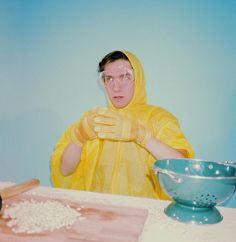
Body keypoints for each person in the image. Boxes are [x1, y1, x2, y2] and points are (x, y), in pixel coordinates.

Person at [51, 50, 194, 200]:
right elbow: (65, 170)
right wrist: (79, 136)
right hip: (98, 211)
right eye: (109, 78)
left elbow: (182, 168)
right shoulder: (95, 119)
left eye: (125, 77)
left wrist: (142, 136)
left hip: (144, 214)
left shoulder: (159, 119)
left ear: (137, 79)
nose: (116, 87)